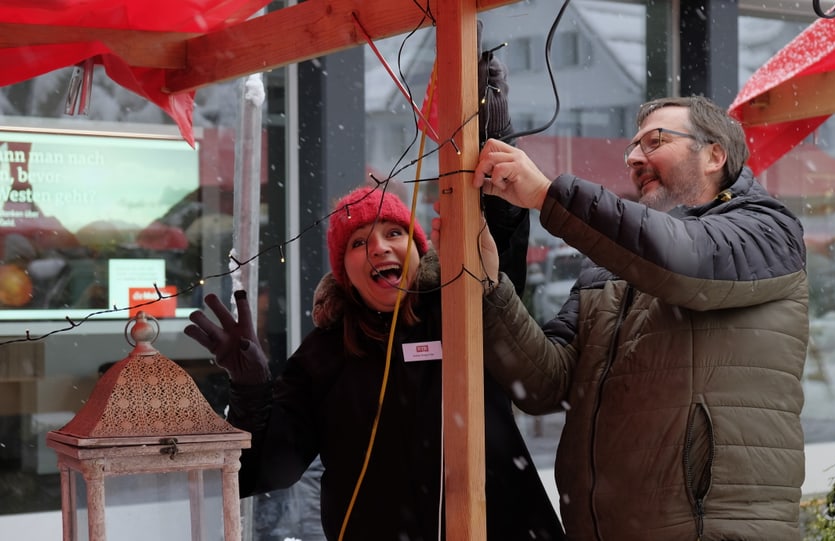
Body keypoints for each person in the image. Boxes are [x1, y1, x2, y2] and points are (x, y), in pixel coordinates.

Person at [183, 50, 565, 540]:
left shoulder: (460, 307)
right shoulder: (323, 355)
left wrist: (494, 136)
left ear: (417, 248)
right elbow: (265, 472)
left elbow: (500, 232)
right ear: (342, 271)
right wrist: (252, 391)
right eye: (359, 243)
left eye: (394, 233)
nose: (378, 247)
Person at [436, 95, 809, 540]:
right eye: (632, 147)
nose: (634, 157)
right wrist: (490, 284)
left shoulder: (767, 230)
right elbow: (544, 385)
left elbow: (683, 259)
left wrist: (546, 194)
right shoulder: (612, 260)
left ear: (714, 154)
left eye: (655, 141)